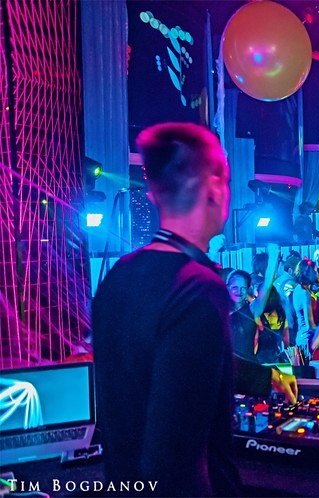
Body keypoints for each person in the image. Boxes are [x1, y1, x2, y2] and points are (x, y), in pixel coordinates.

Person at [92, 122, 297, 496]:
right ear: (215, 189)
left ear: (156, 193)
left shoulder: (119, 275)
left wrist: (264, 378)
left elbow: (169, 363)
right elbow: (174, 457)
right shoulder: (198, 288)